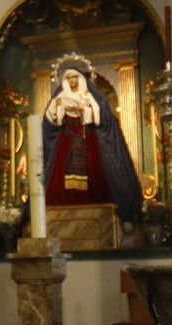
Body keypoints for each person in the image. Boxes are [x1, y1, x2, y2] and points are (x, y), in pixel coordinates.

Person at [41, 61, 141, 223]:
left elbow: (96, 112)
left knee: (93, 168)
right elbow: (51, 115)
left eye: (75, 78)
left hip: (86, 135)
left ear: (79, 79)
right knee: (61, 171)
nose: (72, 81)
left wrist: (84, 110)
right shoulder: (62, 95)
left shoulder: (86, 94)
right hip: (66, 136)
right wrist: (57, 108)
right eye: (69, 78)